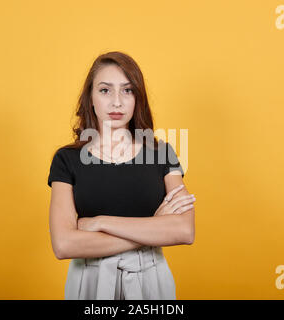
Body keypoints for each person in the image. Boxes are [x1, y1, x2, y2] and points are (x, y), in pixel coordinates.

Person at [47, 51, 196, 300]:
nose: (117, 102)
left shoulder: (161, 153)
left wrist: (100, 222)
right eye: (105, 90)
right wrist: (153, 228)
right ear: (90, 98)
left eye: (127, 90)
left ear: (138, 98)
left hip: (150, 280)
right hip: (90, 282)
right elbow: (64, 245)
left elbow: (183, 230)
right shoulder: (67, 159)